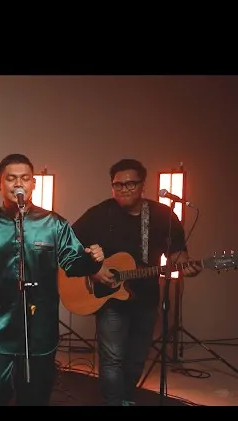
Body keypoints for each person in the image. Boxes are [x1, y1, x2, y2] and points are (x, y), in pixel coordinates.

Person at [0, 153, 105, 406]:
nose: (19, 184)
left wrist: (93, 260)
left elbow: (73, 264)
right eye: (11, 178)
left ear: (33, 183)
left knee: (36, 396)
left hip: (40, 329)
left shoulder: (54, 224)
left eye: (25, 178)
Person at [71, 158, 202, 406]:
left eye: (130, 184)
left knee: (136, 358)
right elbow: (69, 245)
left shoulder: (163, 215)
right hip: (109, 299)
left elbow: (177, 254)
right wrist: (93, 270)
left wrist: (188, 265)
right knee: (112, 358)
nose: (124, 189)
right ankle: (112, 401)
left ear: (143, 185)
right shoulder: (99, 213)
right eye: (118, 185)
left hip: (146, 297)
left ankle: (126, 398)